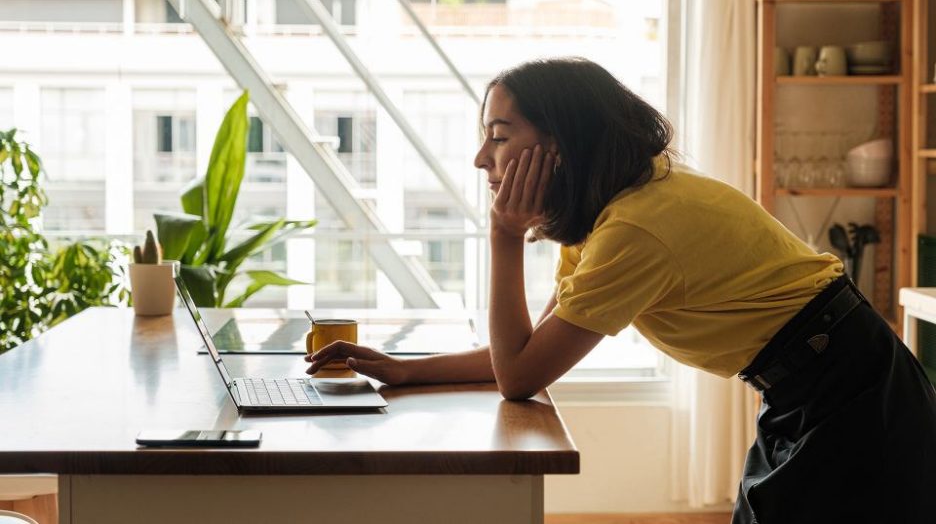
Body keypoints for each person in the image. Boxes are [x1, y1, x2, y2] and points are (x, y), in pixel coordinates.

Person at [305, 57, 936, 523]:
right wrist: (408, 372)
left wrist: (502, 237)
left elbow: (520, 375)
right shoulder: (613, 212)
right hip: (818, 381)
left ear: (559, 147)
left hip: (849, 393)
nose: (480, 159)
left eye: (498, 136)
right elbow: (528, 353)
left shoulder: (635, 229)